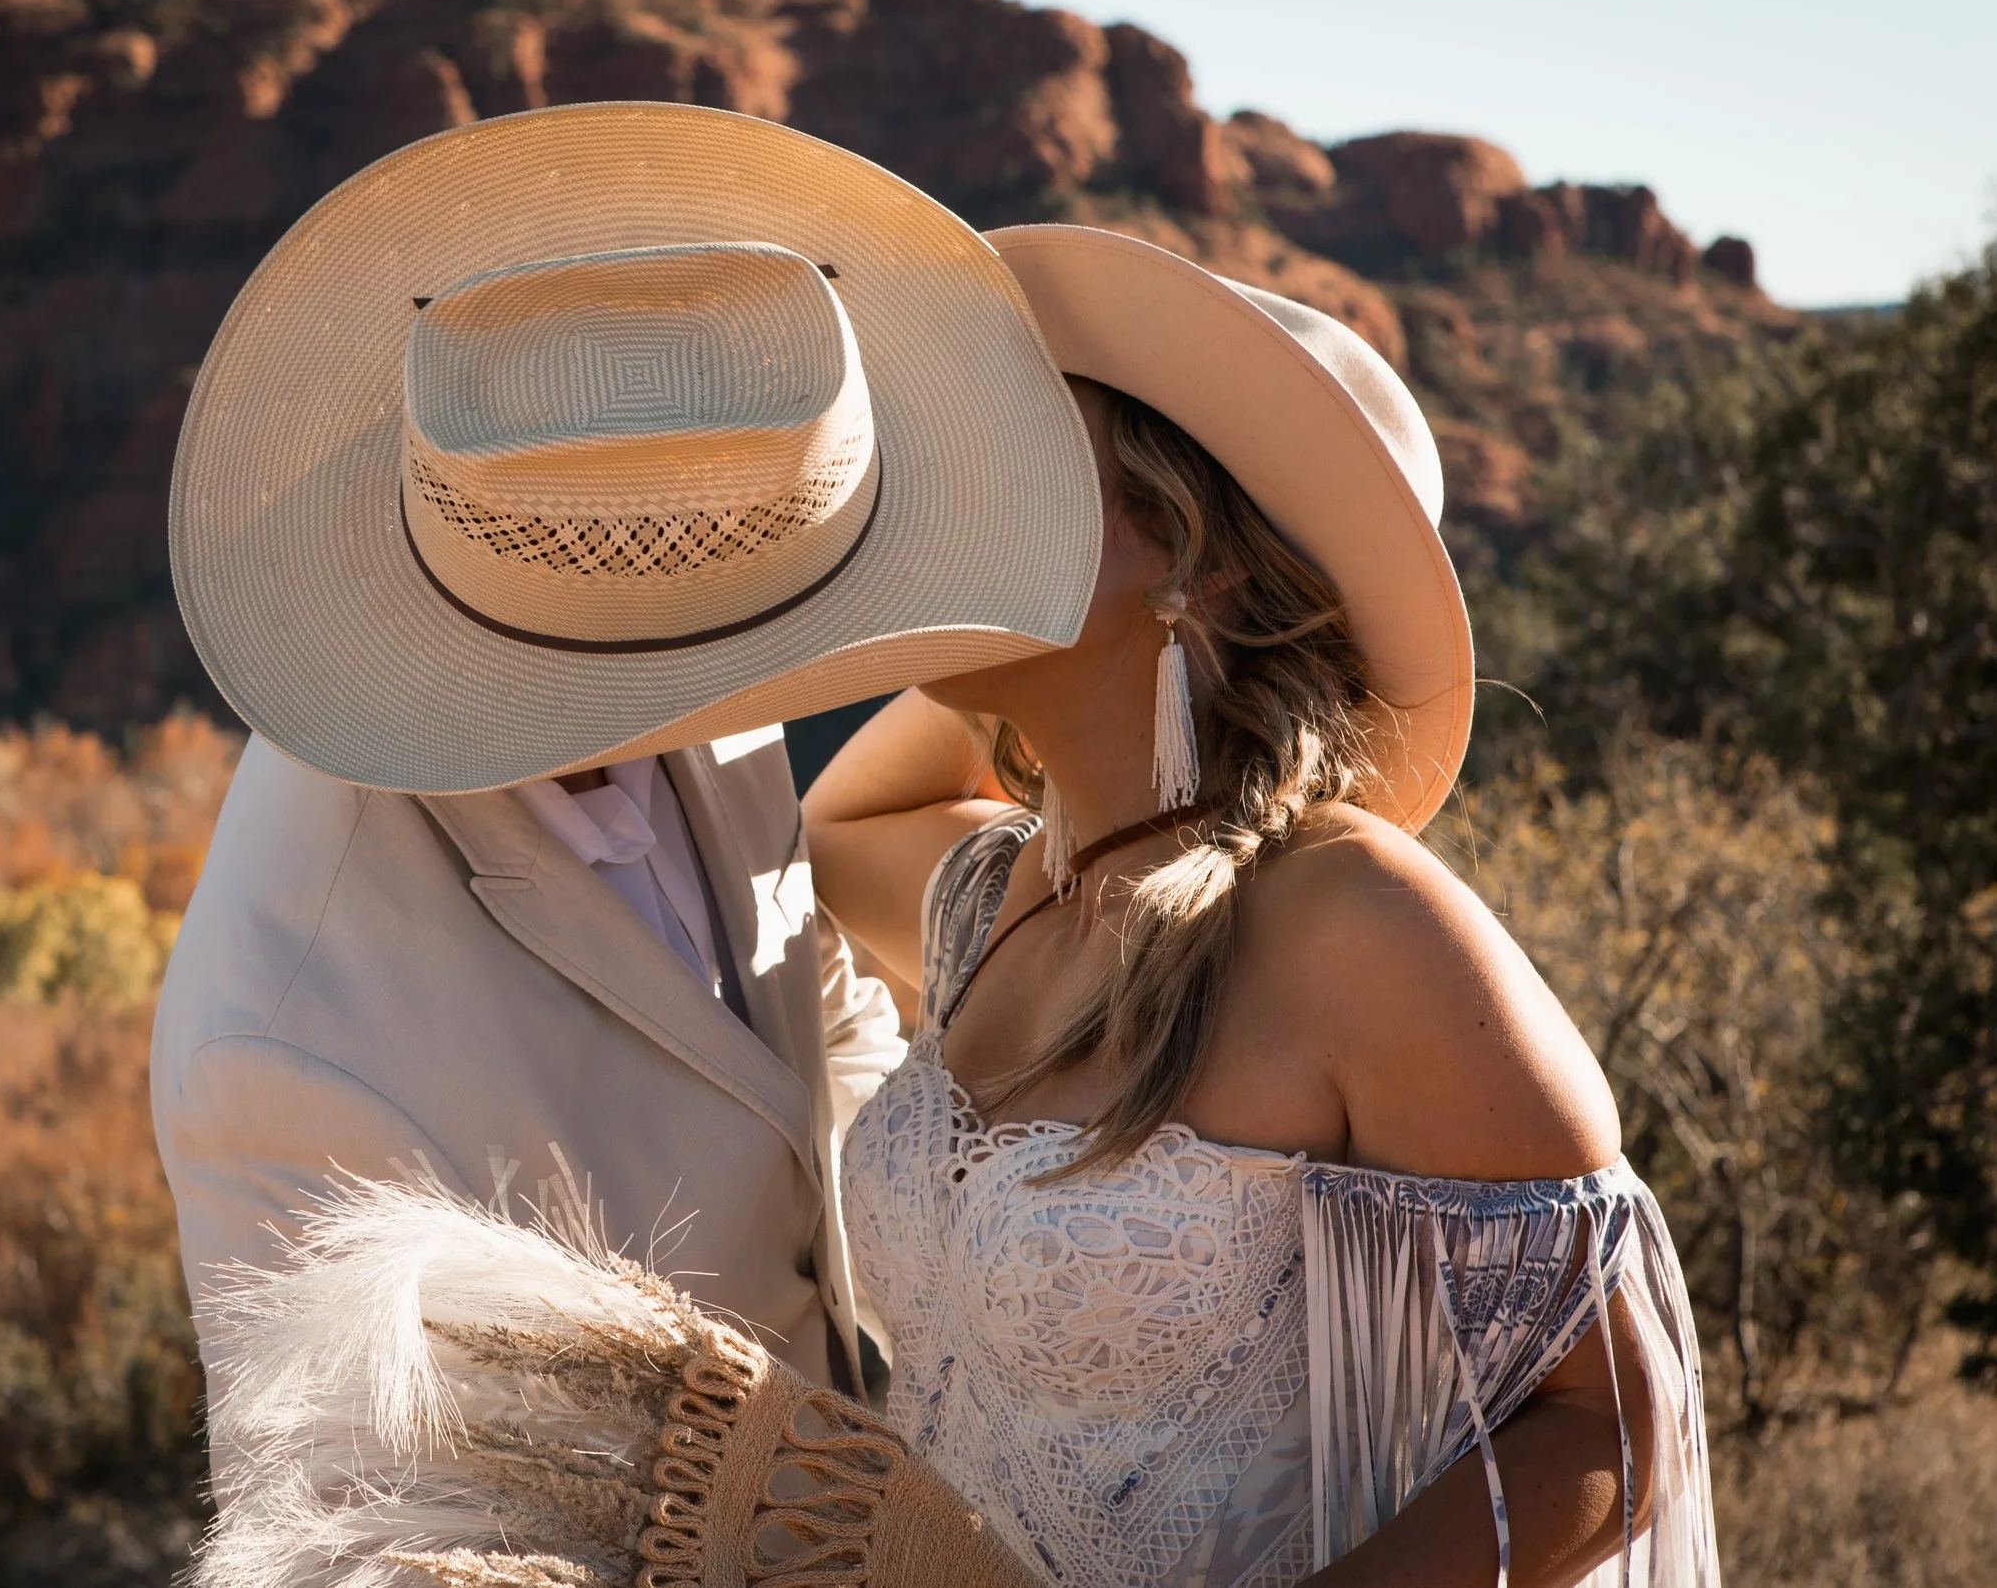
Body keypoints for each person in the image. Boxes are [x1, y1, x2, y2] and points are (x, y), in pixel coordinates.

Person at [184, 222, 1722, 1588]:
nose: (943, 490)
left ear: (1186, 550)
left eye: (1021, 455)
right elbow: (851, 816)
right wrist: (1014, 672)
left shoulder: (1351, 922)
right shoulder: (998, 897)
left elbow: (1618, 1407)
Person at [149, 99, 1107, 1450]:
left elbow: (801, 994)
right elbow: (374, 1520)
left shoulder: (664, 588)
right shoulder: (290, 1050)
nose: (746, 670)